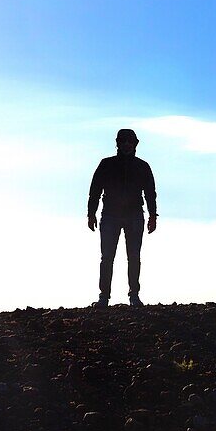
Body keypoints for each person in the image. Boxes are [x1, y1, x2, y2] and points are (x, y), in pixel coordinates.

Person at [88, 129, 158, 307]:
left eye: (130, 141)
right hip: (110, 215)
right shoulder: (106, 164)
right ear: (118, 143)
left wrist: (153, 215)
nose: (127, 144)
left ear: (135, 143)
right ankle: (104, 297)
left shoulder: (142, 166)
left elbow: (150, 193)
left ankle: (134, 296)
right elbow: (95, 190)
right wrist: (91, 213)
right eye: (123, 141)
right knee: (107, 257)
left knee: (134, 257)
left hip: (134, 215)